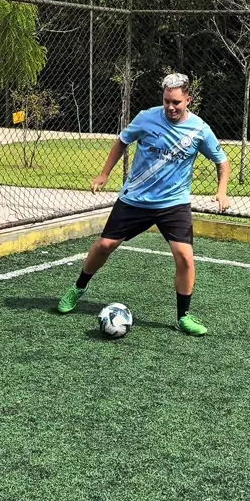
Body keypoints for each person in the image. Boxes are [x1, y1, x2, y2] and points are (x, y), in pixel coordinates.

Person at [58, 73, 231, 336]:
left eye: (176, 102)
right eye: (166, 101)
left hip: (174, 203)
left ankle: (183, 317)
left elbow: (222, 162)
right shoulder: (146, 118)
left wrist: (221, 192)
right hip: (136, 199)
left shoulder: (200, 130)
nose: (170, 107)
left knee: (185, 256)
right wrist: (104, 174)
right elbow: (122, 141)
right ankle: (78, 287)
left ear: (188, 100)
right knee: (105, 245)